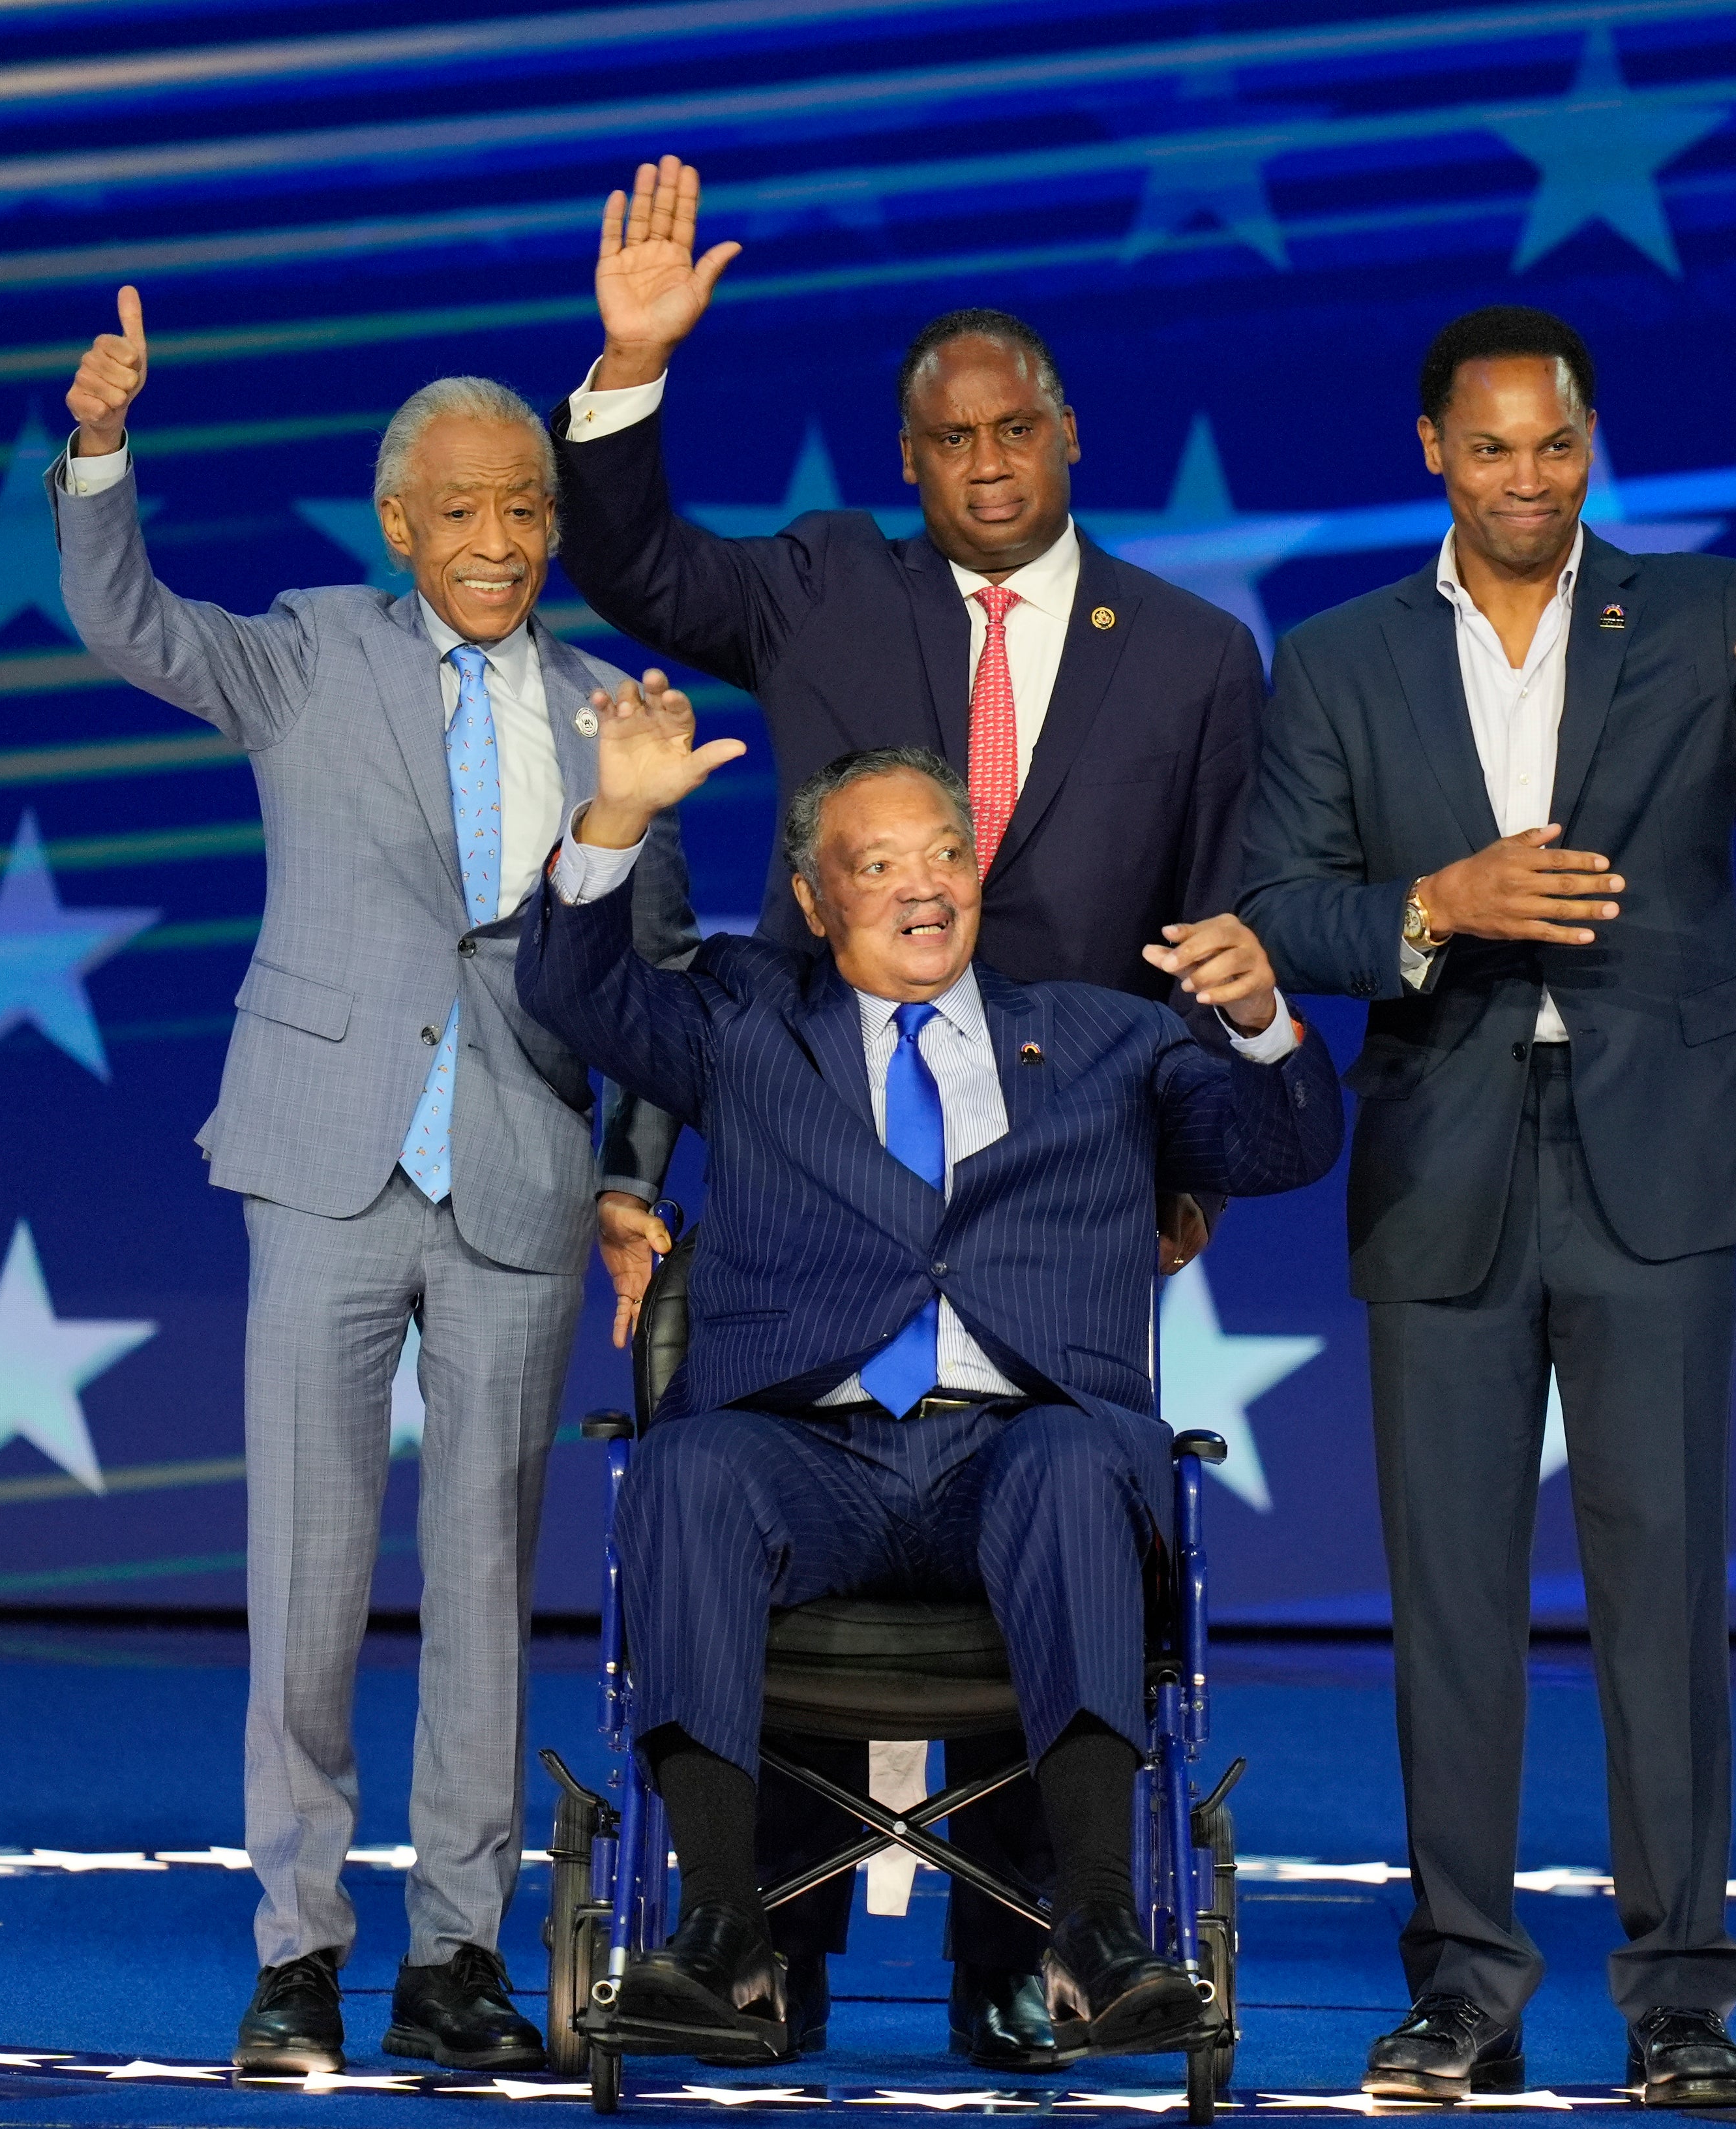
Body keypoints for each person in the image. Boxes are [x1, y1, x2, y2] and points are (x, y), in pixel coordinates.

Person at [546, 155, 1270, 2063]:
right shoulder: (819, 586)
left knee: (1053, 1488)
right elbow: (631, 567)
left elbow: (1217, 927)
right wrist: (628, 375)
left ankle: (1043, 1957)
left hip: (1068, 1179)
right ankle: (747, 1948)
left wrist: (1181, 1162)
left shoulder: (1194, 658)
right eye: (947, 437)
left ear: (1068, 436)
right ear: (911, 458)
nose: (986, 458)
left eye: (1016, 425)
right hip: (817, 1158)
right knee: (739, 1464)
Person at [1236, 306, 1736, 2110]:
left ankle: (1682, 1997)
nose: (1528, 478)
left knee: (1664, 1592)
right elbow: (1284, 909)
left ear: (1589, 443)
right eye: (1492, 449)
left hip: (1661, 1166)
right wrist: (1439, 901)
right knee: (1452, 1608)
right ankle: (1464, 1988)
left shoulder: (1702, 612)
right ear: (1432, 454)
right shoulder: (1334, 660)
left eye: (1557, 446)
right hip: (1447, 1161)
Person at [53, 286, 698, 2077]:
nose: (498, 541)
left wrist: (633, 1179)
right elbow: (126, 622)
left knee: (486, 1574)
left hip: (521, 1178)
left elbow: (653, 983)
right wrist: (101, 453)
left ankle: (456, 1960)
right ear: (400, 527)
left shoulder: (607, 715)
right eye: (464, 512)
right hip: (326, 1156)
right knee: (313, 1569)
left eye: (526, 512)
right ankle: (298, 1948)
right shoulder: (305, 649)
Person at [516, 686, 1341, 2064]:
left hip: (1019, 1453)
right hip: (807, 1459)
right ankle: (722, 1933)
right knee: (684, 1465)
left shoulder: (1106, 1038)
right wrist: (615, 820)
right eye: (878, 865)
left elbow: (1284, 1149)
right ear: (813, 897)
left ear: (978, 872)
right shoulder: (742, 1017)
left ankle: (1093, 1930)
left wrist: (1261, 1021)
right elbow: (572, 988)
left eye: (943, 855)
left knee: (1082, 1460)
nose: (920, 888)